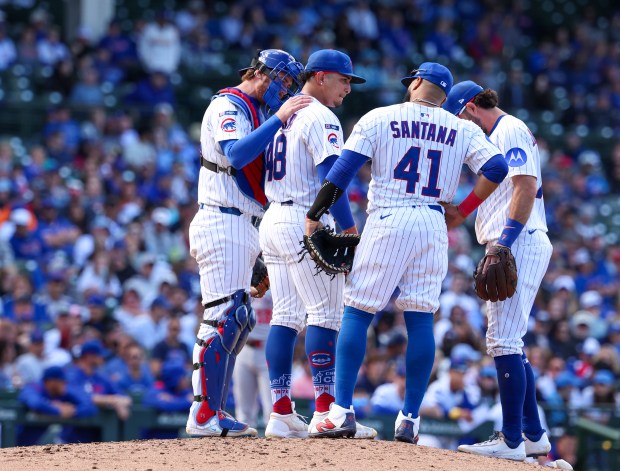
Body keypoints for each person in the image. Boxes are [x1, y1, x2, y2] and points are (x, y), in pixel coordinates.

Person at [304, 63, 508, 442]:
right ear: (445, 96)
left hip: (389, 216)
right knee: (420, 320)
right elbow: (497, 166)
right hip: (432, 223)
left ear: (415, 82)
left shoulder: (380, 116)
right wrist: (461, 211)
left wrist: (315, 214)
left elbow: (341, 173)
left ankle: (342, 410)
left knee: (358, 311)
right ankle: (410, 419)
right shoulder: (461, 127)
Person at [186, 49, 312, 438]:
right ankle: (204, 414)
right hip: (222, 219)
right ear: (260, 73)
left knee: (238, 318)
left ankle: (210, 411)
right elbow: (237, 154)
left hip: (242, 224)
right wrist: (280, 116)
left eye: (291, 84)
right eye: (283, 80)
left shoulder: (254, 111)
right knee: (224, 317)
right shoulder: (229, 104)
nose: (286, 89)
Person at [259, 49, 375, 439]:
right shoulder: (320, 116)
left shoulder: (284, 115)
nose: (348, 88)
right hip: (306, 218)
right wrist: (347, 228)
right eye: (344, 80)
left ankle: (280, 411)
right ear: (321, 77)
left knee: (285, 316)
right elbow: (333, 180)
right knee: (325, 315)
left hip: (274, 216)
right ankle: (326, 411)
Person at [442, 81, 553, 461]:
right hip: (514, 239)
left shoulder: (509, 129)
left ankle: (510, 440)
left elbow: (524, 186)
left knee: (503, 341)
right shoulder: (496, 135)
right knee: (511, 341)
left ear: (472, 108)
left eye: (458, 116)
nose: (456, 126)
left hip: (518, 239)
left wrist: (504, 241)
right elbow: (502, 186)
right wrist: (464, 211)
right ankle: (533, 434)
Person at [18, 365, 97, 445]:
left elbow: (90, 407)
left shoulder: (61, 393)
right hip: (11, 438)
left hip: (28, 444)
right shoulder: (33, 387)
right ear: (51, 382)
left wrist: (73, 411)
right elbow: (35, 403)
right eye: (62, 381)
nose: (65, 384)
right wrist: (58, 410)